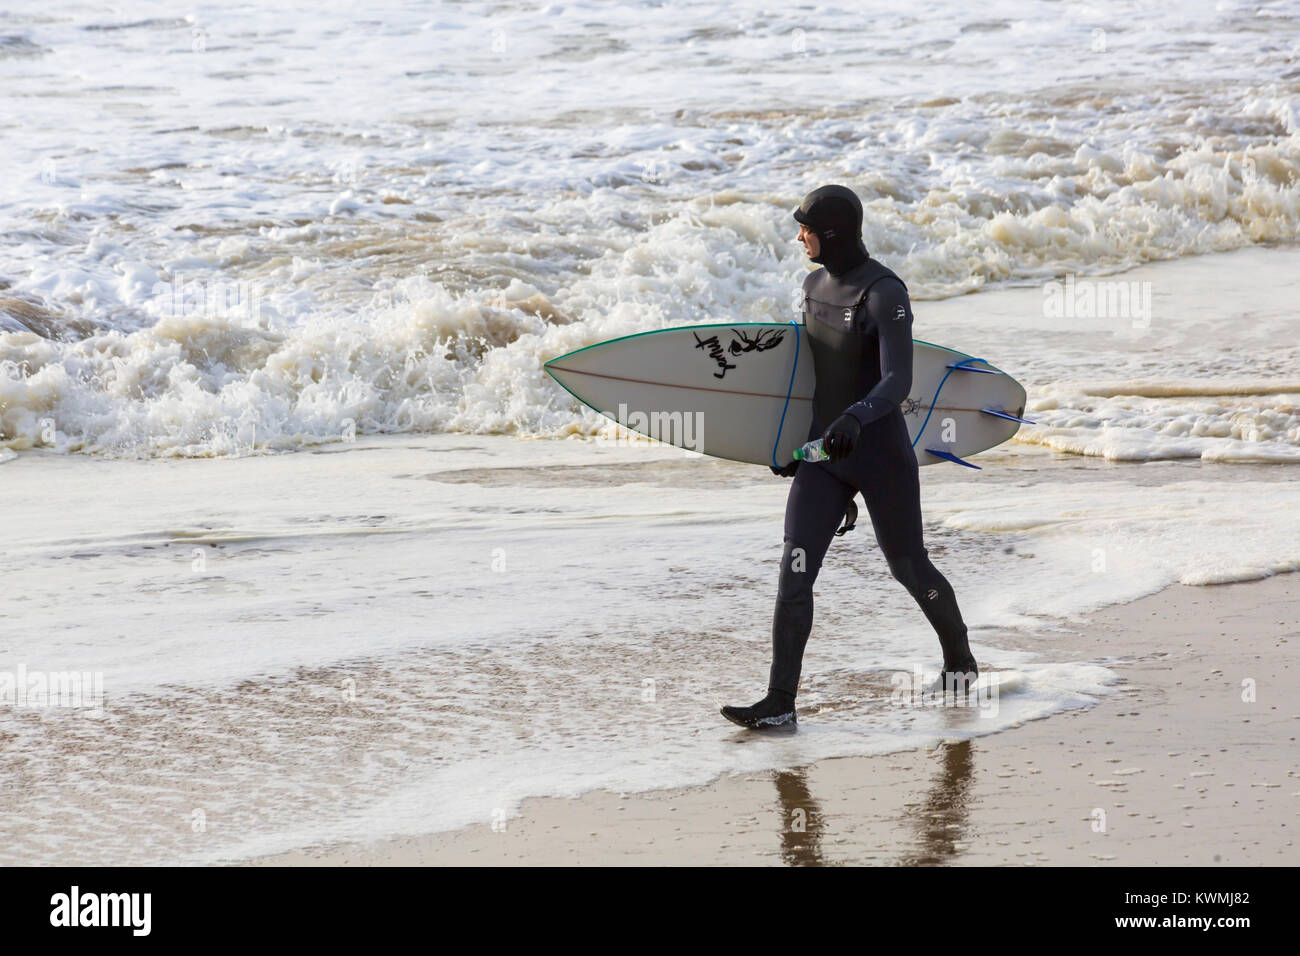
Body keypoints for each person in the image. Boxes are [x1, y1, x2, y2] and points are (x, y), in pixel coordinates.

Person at [721, 184, 977, 729]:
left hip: (879, 453)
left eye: (805, 228)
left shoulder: (885, 293)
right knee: (794, 571)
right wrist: (790, 447)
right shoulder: (813, 285)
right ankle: (780, 702)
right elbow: (808, 378)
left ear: (829, 233)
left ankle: (961, 661)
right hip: (824, 453)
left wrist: (856, 420)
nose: (799, 237)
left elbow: (897, 380)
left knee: (908, 567)